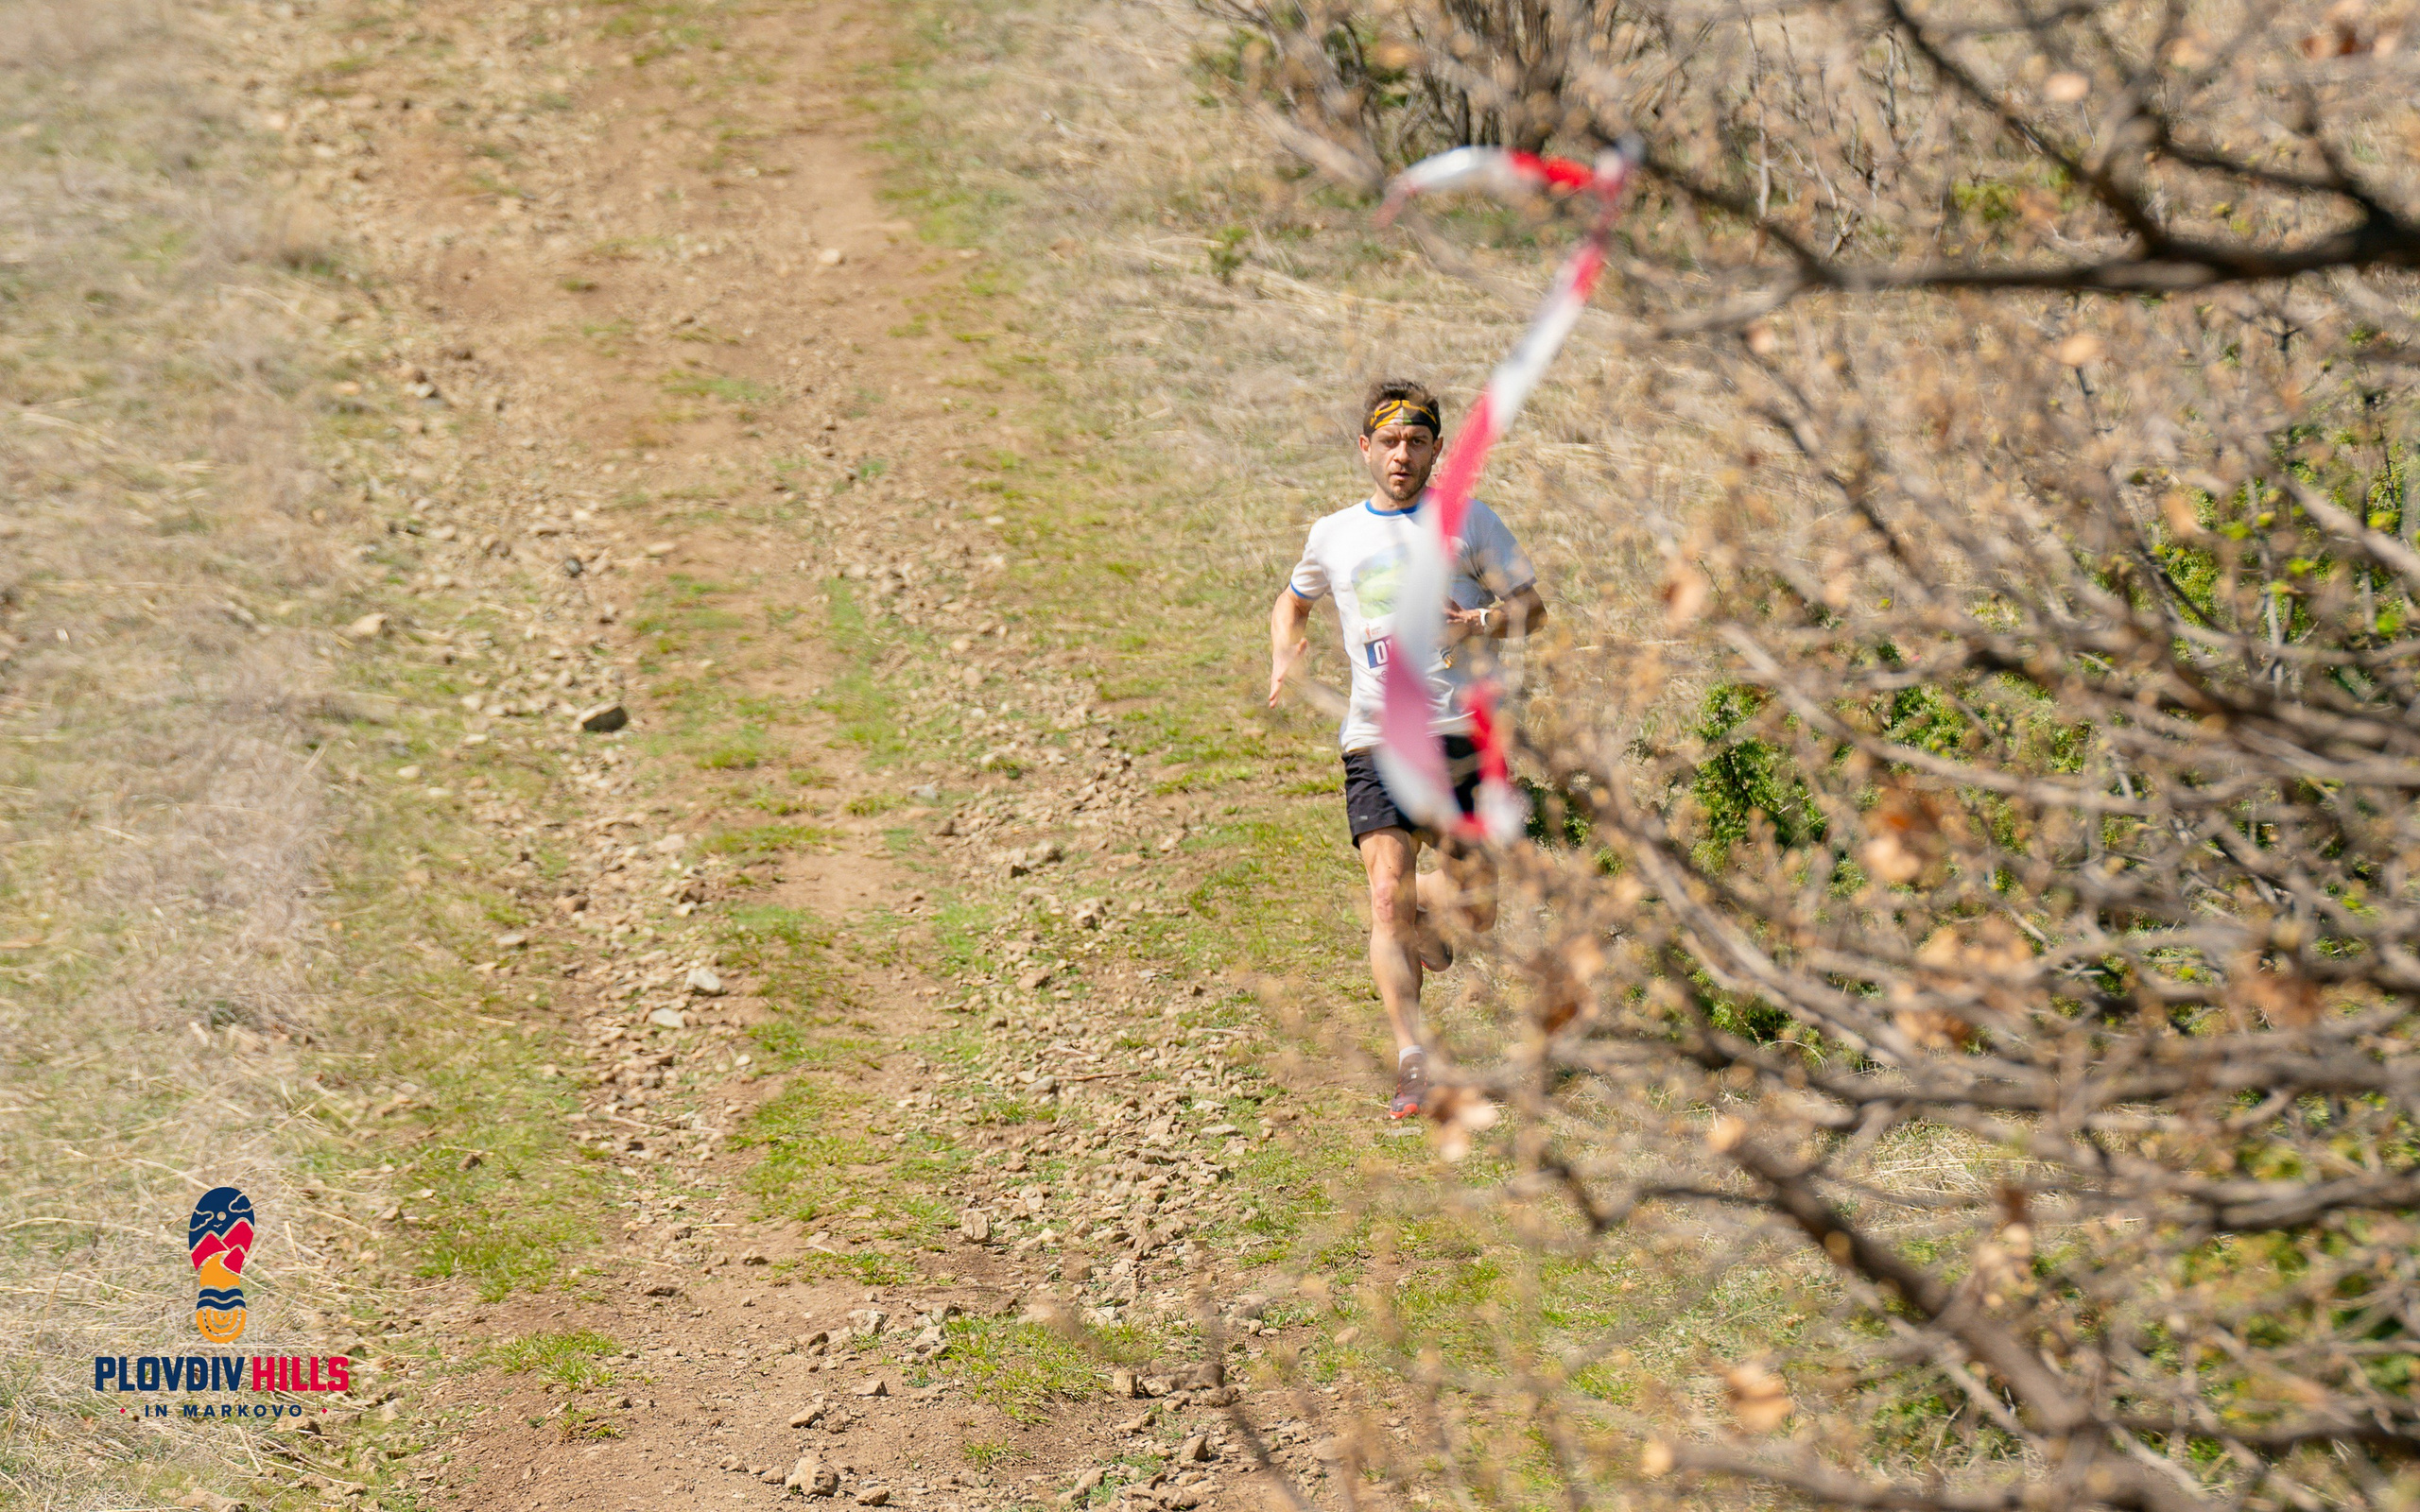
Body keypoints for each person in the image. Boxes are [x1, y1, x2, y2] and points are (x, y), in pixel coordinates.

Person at [1267, 379, 1546, 1118]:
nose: (1402, 454)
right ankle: (1413, 1060)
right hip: (1376, 736)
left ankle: (1431, 921)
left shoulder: (1470, 521)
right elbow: (1294, 598)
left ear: (1437, 450)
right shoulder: (1333, 534)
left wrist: (1481, 620)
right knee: (1385, 893)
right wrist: (1284, 648)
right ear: (1364, 448)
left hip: (1465, 736)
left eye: (1416, 441)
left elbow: (1533, 608)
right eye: (1388, 442)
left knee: (1476, 912)